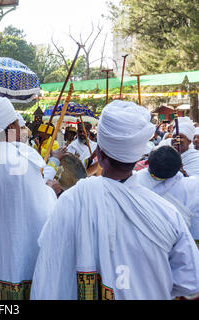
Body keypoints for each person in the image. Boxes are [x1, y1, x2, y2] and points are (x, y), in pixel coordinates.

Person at [31, 100, 199, 300]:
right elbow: (190, 282)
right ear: (138, 156)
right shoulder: (167, 214)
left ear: (100, 156)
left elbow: (49, 259)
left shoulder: (72, 200)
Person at [0, 97, 58, 300]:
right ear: (11, 125)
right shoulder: (21, 158)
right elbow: (42, 208)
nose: (24, 129)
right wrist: (51, 190)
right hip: (19, 252)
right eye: (21, 124)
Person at [134, 146, 199, 248]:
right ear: (181, 166)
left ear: (148, 164)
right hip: (181, 244)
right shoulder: (193, 186)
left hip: (144, 244)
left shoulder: (135, 181)